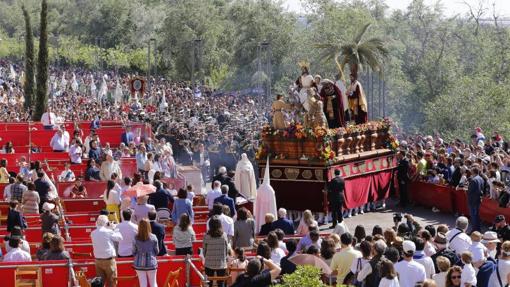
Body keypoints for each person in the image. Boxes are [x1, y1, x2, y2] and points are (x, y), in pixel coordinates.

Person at [91, 215, 123, 287]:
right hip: (109, 261)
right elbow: (120, 238)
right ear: (106, 223)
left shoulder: (93, 233)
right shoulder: (108, 232)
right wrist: (114, 229)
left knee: (100, 283)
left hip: (98, 261)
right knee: (112, 282)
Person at [203, 216, 230, 287]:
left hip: (209, 263)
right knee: (221, 284)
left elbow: (204, 251)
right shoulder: (224, 235)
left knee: (209, 283)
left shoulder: (206, 236)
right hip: (221, 263)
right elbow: (226, 249)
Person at [133, 218, 159, 287]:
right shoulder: (153, 237)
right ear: (148, 226)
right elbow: (157, 251)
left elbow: (133, 251)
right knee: (153, 283)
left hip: (139, 264)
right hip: (151, 263)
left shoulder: (135, 238)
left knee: (143, 284)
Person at [467, 167, 484, 232]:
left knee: (473, 216)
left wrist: (467, 189)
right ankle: (478, 229)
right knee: (477, 215)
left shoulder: (473, 180)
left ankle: (474, 230)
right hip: (478, 199)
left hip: (472, 200)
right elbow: (482, 189)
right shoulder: (481, 178)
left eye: (471, 171)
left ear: (473, 172)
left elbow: (469, 191)